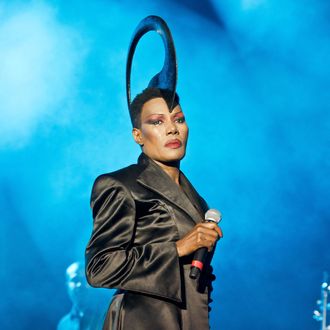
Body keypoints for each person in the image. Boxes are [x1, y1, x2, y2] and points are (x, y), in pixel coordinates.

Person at [85, 87, 223, 330]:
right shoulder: (120, 185)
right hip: (142, 320)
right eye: (157, 122)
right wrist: (178, 248)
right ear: (138, 135)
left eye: (178, 119)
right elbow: (100, 267)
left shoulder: (198, 202)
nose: (172, 128)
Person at [57, 261, 111, 330]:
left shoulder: (110, 316)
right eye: (75, 279)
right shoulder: (63, 325)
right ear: (67, 286)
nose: (80, 284)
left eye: (85, 279)